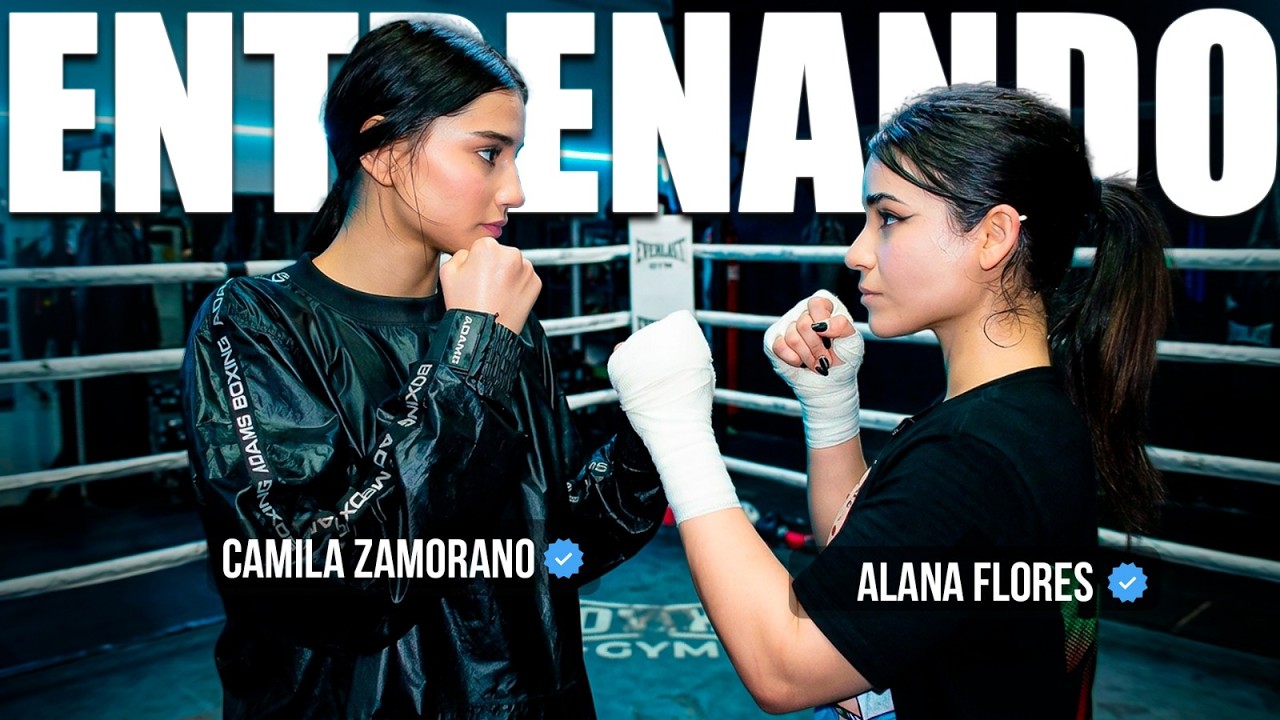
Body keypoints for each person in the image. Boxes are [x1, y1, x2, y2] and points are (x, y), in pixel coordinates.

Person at [607, 84, 1173, 719]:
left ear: (992, 237)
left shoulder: (973, 452)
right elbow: (869, 567)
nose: (857, 251)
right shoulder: (1020, 412)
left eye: (890, 218)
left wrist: (678, 428)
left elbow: (785, 666)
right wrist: (832, 412)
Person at [181, 20, 666, 719]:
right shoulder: (255, 322)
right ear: (382, 150)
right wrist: (470, 356)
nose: (517, 190)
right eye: (488, 154)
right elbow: (320, 585)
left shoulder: (502, 318)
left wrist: (651, 432)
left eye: (514, 155)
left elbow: (556, 552)